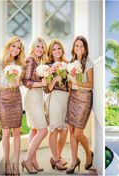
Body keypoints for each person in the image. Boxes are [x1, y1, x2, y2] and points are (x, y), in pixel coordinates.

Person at [0, 36, 25, 175]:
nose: (15, 50)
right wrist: (6, 85)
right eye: (13, 46)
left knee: (17, 131)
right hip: (4, 99)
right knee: (6, 132)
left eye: (18, 48)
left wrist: (19, 83)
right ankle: (7, 163)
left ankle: (16, 164)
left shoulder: (20, 64)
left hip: (16, 98)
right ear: (8, 46)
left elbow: (21, 82)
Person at [66, 36, 93, 174]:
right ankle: (74, 160)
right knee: (71, 131)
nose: (79, 48)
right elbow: (70, 82)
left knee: (78, 132)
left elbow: (90, 84)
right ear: (73, 48)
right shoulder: (71, 62)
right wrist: (70, 82)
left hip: (84, 98)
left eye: (81, 46)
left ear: (85, 48)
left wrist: (76, 83)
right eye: (76, 46)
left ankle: (88, 154)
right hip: (73, 98)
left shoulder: (88, 62)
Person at [22, 37, 48, 174]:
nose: (40, 49)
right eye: (38, 46)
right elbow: (26, 81)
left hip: (37, 97)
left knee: (34, 130)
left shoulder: (38, 61)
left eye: (42, 47)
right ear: (33, 47)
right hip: (32, 97)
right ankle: (27, 160)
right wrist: (42, 83)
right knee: (43, 130)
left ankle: (33, 161)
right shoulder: (30, 60)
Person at [45, 39, 69, 170]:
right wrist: (55, 79)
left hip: (66, 98)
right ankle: (55, 159)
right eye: (54, 49)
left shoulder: (67, 64)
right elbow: (46, 88)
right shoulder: (47, 66)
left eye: (59, 48)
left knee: (64, 130)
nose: (57, 51)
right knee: (54, 129)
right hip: (54, 98)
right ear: (50, 51)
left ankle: (57, 156)